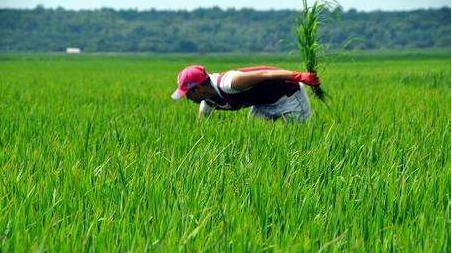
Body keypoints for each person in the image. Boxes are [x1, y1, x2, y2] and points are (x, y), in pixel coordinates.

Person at [171, 65, 321, 122]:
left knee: (297, 139)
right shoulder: (207, 101)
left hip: (289, 97)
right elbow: (201, 126)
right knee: (255, 137)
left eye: (188, 94)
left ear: (198, 88)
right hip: (263, 104)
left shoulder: (229, 82)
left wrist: (299, 76)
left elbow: (266, 73)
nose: (188, 98)